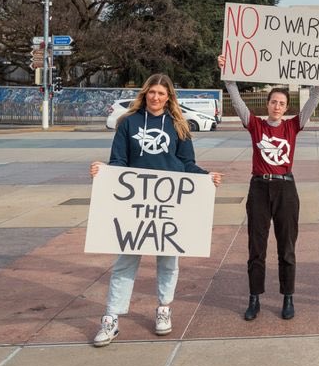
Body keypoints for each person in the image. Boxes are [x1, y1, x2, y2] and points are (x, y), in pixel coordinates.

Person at [89, 74, 222, 347]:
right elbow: (118, 162)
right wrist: (103, 172)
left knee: (168, 260)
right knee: (126, 261)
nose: (156, 97)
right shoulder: (129, 123)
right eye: (152, 92)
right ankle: (111, 318)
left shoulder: (178, 125)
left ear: (169, 97)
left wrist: (207, 177)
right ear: (145, 93)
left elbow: (187, 164)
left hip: (170, 205)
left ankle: (164, 308)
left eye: (161, 93)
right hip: (135, 204)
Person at [218, 54, 319, 321]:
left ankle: (288, 297)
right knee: (256, 247)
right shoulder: (255, 125)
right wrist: (228, 75)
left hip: (285, 190)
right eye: (273, 102)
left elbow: (313, 101)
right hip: (259, 188)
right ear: (267, 104)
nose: (277, 107)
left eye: (282, 103)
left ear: (286, 107)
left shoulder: (293, 126)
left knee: (287, 247)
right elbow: (236, 102)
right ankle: (254, 297)